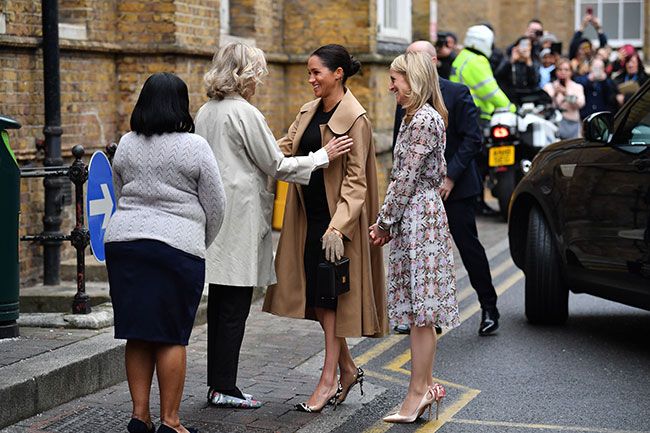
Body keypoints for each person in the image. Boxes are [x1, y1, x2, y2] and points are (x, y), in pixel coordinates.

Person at [194, 43, 354, 409]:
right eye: (258, 71)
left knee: (220, 302)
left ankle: (218, 383)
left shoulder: (206, 111)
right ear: (245, 73)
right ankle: (225, 388)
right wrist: (320, 157)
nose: (261, 79)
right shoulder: (245, 113)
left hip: (214, 216)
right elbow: (276, 165)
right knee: (234, 305)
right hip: (239, 218)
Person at [263, 44, 387, 413]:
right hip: (307, 219)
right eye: (309, 73)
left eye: (316, 72)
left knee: (329, 301)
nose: (311, 79)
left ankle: (328, 377)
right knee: (319, 303)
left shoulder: (355, 119)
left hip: (335, 226)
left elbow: (356, 182)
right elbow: (282, 150)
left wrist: (339, 227)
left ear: (338, 74)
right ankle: (347, 369)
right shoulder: (307, 111)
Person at [104, 72, 227, 433]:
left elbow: (118, 190)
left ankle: (139, 415)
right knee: (171, 335)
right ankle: (170, 421)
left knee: (137, 331)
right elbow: (216, 205)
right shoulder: (195, 146)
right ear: (181, 104)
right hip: (176, 250)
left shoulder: (126, 143)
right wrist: (196, 240)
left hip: (125, 246)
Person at [370, 51, 460, 424]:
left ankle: (418, 392)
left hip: (418, 218)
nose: (391, 86)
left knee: (422, 313)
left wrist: (384, 221)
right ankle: (421, 389)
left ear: (416, 79)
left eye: (397, 79)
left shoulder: (422, 119)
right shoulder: (417, 116)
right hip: (418, 217)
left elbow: (403, 178)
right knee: (420, 314)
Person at [393, 41, 500, 337]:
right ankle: (425, 316)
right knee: (420, 256)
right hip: (420, 194)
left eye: (419, 57)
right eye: (409, 56)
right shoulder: (405, 96)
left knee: (468, 248)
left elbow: (472, 139)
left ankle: (489, 307)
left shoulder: (456, 92)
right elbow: (399, 144)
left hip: (457, 188)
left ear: (434, 60)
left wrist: (450, 176)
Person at [450, 24, 515, 216]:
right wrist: (511, 107)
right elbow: (491, 91)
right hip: (477, 117)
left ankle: (476, 202)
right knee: (479, 162)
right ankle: (477, 202)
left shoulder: (462, 57)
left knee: (472, 160)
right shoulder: (477, 61)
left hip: (461, 115)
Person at [544, 57, 585, 139]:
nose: (563, 72)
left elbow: (581, 104)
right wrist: (555, 94)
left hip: (572, 124)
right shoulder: (549, 86)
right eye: (560, 69)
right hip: (554, 125)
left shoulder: (577, 87)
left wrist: (566, 94)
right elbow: (545, 104)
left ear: (571, 72)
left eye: (566, 70)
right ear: (556, 71)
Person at [495, 36, 540, 104]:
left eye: (527, 45)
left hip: (528, 96)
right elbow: (499, 76)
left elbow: (535, 81)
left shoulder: (534, 61)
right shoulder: (508, 59)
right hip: (510, 96)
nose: (524, 48)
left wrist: (528, 62)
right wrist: (511, 60)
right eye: (522, 45)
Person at [569, 12, 608, 77]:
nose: (584, 51)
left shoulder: (592, 60)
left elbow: (603, 46)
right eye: (582, 48)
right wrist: (582, 26)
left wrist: (598, 29)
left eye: (587, 47)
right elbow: (573, 43)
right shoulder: (574, 62)